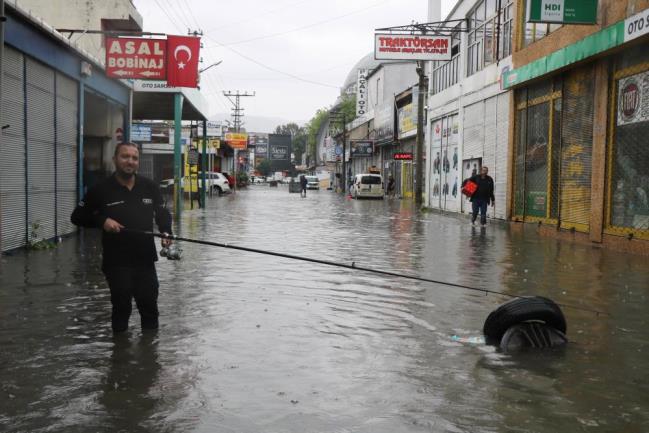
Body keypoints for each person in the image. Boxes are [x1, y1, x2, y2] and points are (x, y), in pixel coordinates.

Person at [71, 142, 172, 333]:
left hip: (146, 260)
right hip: (116, 262)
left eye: (134, 158)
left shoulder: (149, 187)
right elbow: (77, 217)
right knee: (121, 308)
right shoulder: (100, 189)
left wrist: (166, 231)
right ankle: (119, 354)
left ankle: (149, 355)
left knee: (150, 309)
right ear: (115, 159)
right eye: (125, 156)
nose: (130, 161)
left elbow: (162, 213)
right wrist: (102, 221)